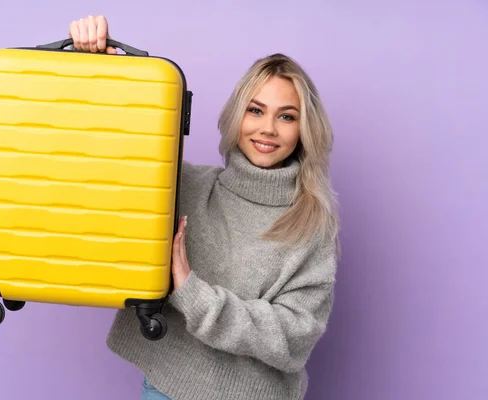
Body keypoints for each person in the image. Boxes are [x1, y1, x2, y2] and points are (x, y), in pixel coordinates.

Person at [68, 15, 340, 400]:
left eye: (287, 116)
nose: (268, 129)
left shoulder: (313, 222)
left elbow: (294, 337)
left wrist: (191, 292)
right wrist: (97, 69)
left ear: (304, 129)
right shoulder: (184, 184)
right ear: (237, 116)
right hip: (166, 387)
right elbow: (102, 161)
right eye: (256, 110)